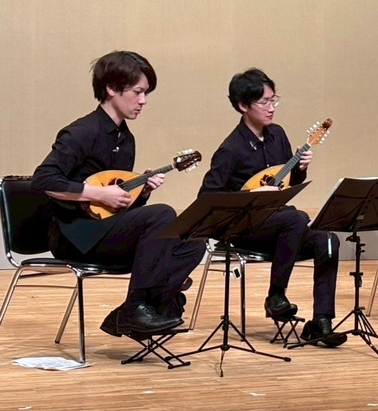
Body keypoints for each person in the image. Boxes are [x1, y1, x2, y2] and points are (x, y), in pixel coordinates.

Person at [31, 50, 206, 336]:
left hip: (104, 229)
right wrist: (98, 194)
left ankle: (136, 311)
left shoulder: (126, 140)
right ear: (112, 88)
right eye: (138, 92)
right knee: (162, 214)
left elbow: (116, 205)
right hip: (73, 235)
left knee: (193, 240)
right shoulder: (82, 132)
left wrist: (141, 192)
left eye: (146, 93)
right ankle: (138, 307)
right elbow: (43, 180)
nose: (143, 101)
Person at [198, 68, 347, 348]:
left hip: (280, 227)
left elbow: (285, 185)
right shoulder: (231, 149)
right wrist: (251, 195)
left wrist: (300, 170)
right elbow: (208, 196)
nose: (271, 107)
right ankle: (275, 295)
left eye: (274, 100)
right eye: (264, 102)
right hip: (244, 229)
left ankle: (321, 322)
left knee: (327, 240)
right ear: (243, 106)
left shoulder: (278, 135)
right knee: (296, 217)